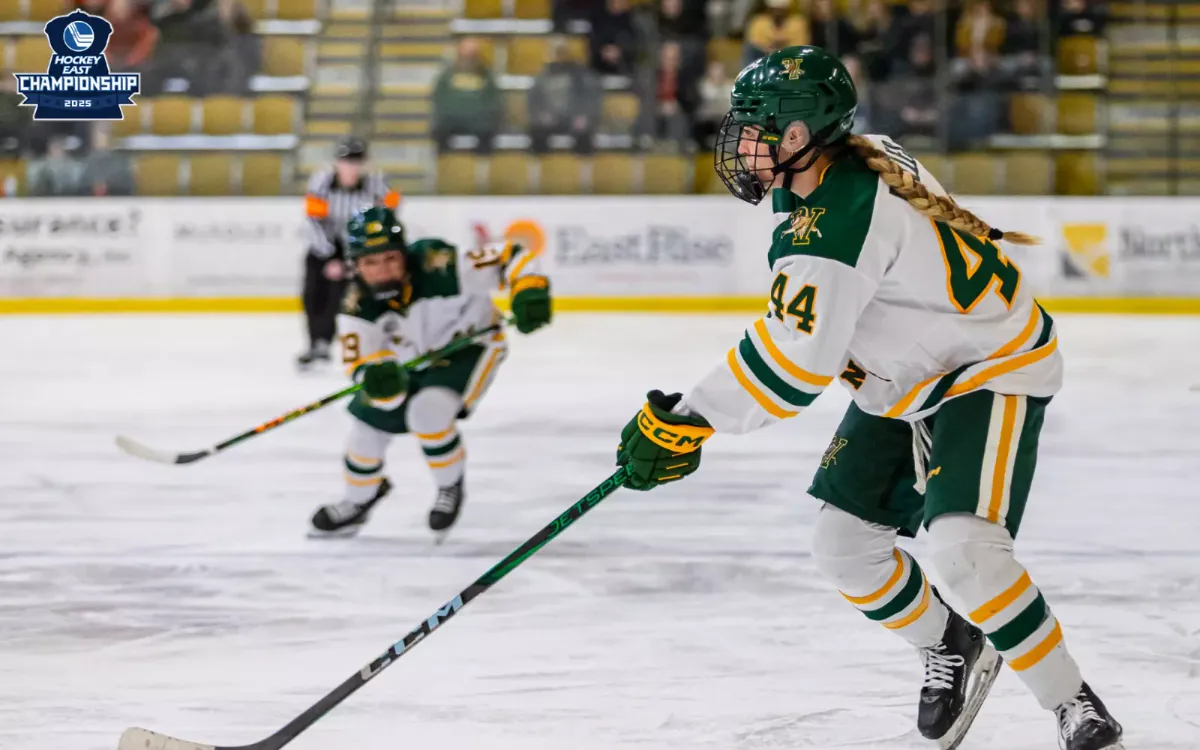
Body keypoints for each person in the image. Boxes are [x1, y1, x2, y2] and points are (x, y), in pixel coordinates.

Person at [613, 46, 1124, 750]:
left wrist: (690, 418)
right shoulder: (854, 156)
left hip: (987, 367)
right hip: (907, 373)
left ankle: (1073, 702)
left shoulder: (837, 227)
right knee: (842, 548)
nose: (742, 145)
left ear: (801, 137)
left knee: (963, 549)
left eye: (760, 131)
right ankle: (951, 640)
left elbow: (795, 368)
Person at [307, 207, 553, 539]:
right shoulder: (357, 305)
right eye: (370, 262)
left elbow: (512, 256)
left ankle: (449, 485)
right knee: (366, 432)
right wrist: (383, 386)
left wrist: (528, 288)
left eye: (390, 258)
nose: (382, 271)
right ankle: (358, 501)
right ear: (355, 265)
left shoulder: (441, 264)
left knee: (427, 413)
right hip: (408, 360)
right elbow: (360, 365)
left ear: (404, 253)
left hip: (470, 346)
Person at [298, 136, 399, 370]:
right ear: (337, 163)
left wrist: (359, 254)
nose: (350, 167)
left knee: (340, 297)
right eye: (346, 161)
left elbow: (387, 216)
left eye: (356, 162)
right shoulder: (321, 181)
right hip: (322, 247)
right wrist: (329, 256)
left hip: (358, 249)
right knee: (313, 295)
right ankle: (317, 344)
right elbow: (313, 220)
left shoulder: (377, 183)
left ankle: (342, 343)